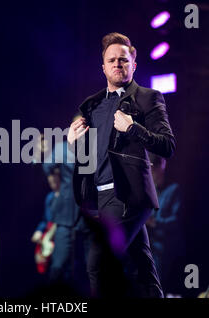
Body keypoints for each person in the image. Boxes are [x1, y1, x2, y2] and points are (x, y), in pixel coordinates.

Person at [68, 32, 176, 298]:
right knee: (142, 267)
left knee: (99, 261)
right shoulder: (93, 107)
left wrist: (133, 128)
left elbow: (167, 146)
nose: (118, 64)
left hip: (130, 195)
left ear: (133, 64)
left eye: (123, 60)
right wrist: (74, 144)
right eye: (112, 60)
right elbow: (93, 158)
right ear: (103, 66)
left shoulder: (148, 98)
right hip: (102, 197)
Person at [35, 118, 91, 293]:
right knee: (58, 266)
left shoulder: (93, 150)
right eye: (77, 126)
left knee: (90, 268)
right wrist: (41, 154)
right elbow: (46, 167)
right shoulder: (62, 148)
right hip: (66, 214)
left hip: (90, 216)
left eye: (84, 127)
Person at [146, 153, 184, 295]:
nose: (150, 173)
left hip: (166, 247)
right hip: (152, 245)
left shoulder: (174, 189)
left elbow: (176, 220)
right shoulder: (149, 190)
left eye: (152, 169)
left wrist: (154, 222)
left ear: (162, 166)